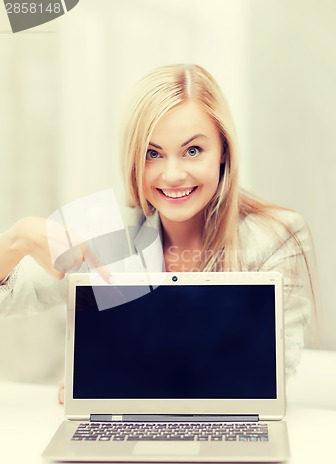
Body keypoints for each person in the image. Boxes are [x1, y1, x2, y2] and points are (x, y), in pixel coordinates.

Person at [0, 64, 317, 403]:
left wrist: (115, 377)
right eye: (153, 154)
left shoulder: (276, 236)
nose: (172, 174)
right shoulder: (107, 235)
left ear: (224, 150)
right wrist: (17, 240)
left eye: (192, 151)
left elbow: (269, 372)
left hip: (225, 433)